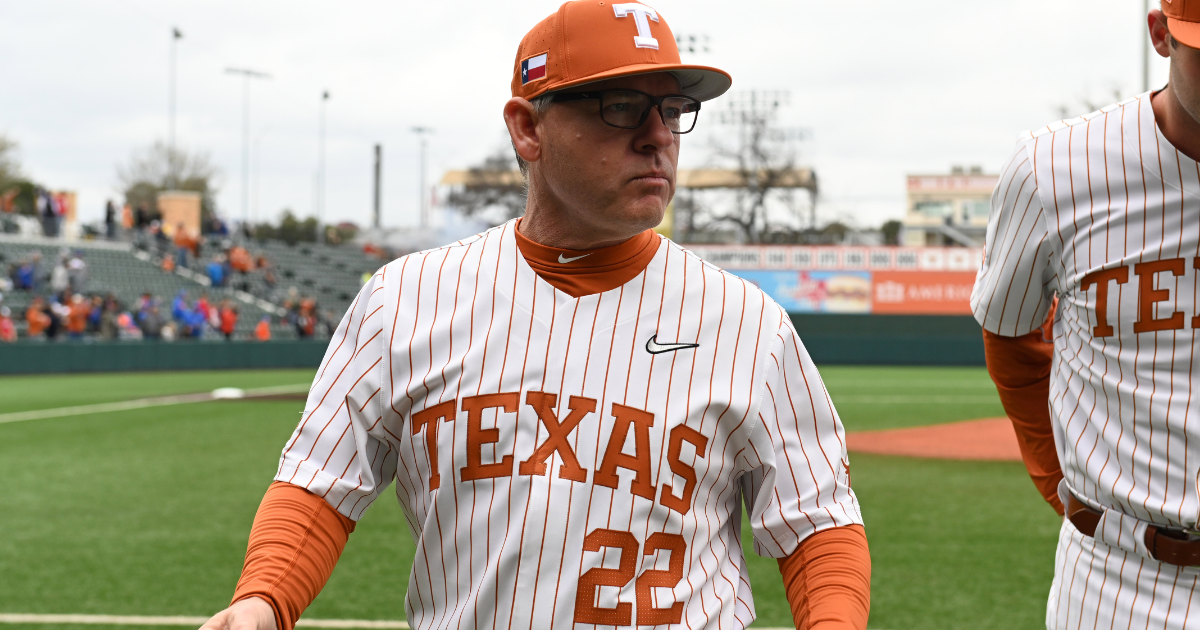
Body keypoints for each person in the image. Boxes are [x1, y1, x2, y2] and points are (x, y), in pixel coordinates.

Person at [201, 4, 869, 630]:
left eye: (672, 108)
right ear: (527, 129)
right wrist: (264, 600)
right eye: (621, 107)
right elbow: (319, 485)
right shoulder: (404, 299)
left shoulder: (748, 323)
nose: (658, 136)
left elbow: (817, 522)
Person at [972, 4, 1200, 628]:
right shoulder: (1054, 168)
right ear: (1162, 36)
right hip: (1118, 579)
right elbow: (1010, 336)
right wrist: (1058, 480)